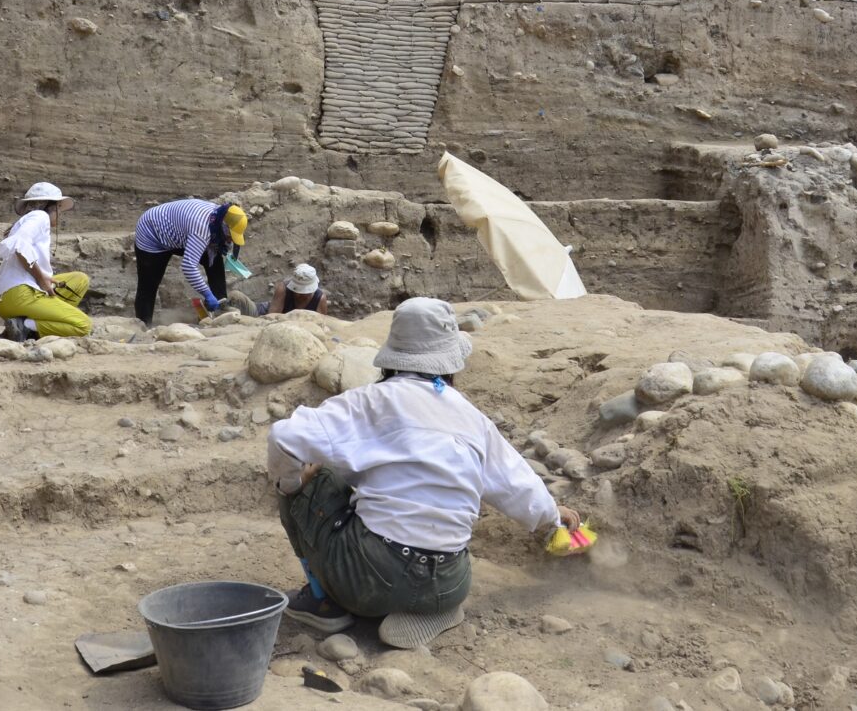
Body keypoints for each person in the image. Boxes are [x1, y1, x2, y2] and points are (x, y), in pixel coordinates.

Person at [267, 297, 581, 649]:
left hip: (369, 578)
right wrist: (555, 516)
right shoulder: (473, 418)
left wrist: (294, 483)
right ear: (448, 362)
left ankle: (325, 603)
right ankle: (436, 607)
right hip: (450, 581)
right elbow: (516, 484)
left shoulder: (370, 401)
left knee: (318, 478)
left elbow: (284, 439)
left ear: (394, 354)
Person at [0, 182, 92, 341]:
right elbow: (20, 247)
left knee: (79, 280)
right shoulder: (40, 216)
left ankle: (29, 325)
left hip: (8, 298)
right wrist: (42, 279)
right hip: (20, 294)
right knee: (83, 325)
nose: (60, 213)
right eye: (59, 208)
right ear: (50, 206)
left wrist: (43, 279)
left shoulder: (28, 220)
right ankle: (27, 327)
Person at [132, 198, 248, 325]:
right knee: (148, 285)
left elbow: (219, 248)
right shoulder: (202, 229)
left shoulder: (219, 215)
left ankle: (220, 305)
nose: (231, 240)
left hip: (178, 231)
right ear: (223, 226)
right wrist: (208, 294)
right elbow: (188, 267)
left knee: (214, 260)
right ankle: (143, 325)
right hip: (151, 233)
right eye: (230, 236)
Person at [260, 263, 329, 317]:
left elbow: (321, 324)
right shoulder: (283, 289)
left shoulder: (320, 298)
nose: (302, 294)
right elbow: (272, 316)